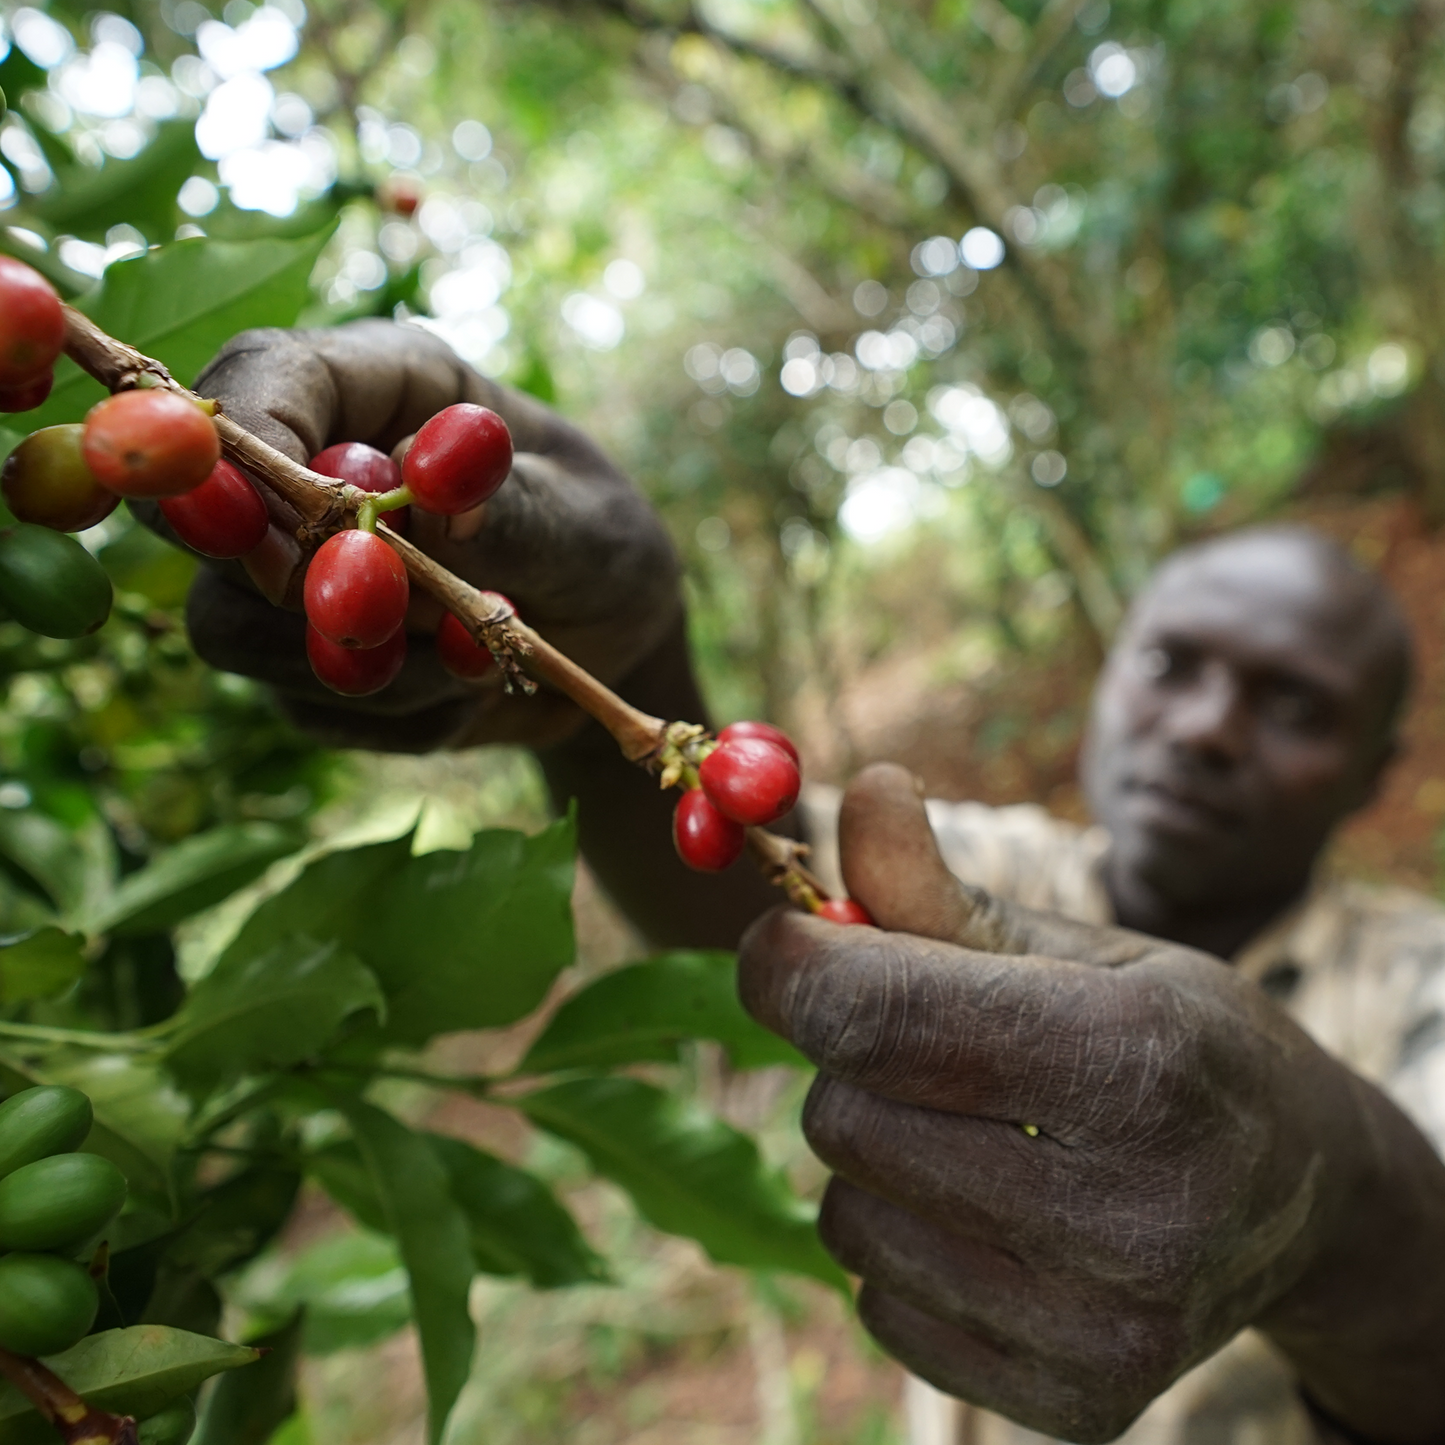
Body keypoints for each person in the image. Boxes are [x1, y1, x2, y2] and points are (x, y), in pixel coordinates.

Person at [166, 323, 1445, 1445]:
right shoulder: (979, 875)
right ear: (1109, 678)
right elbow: (740, 880)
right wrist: (626, 652)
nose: (1210, 728)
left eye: (1292, 703)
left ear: (1376, 771)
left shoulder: (1420, 981)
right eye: (1172, 663)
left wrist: (1344, 1201)